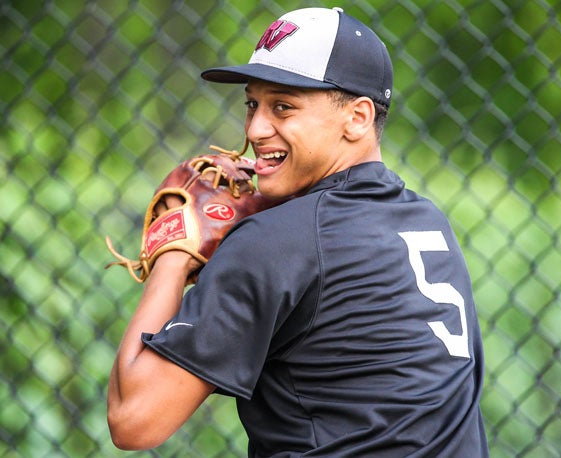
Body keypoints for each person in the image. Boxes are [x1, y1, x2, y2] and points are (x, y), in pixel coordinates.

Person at [107, 7, 489, 457]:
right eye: (252, 103)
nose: (255, 129)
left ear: (358, 118)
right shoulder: (428, 222)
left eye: (283, 106)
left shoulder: (275, 241)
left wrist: (173, 257)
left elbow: (134, 419)